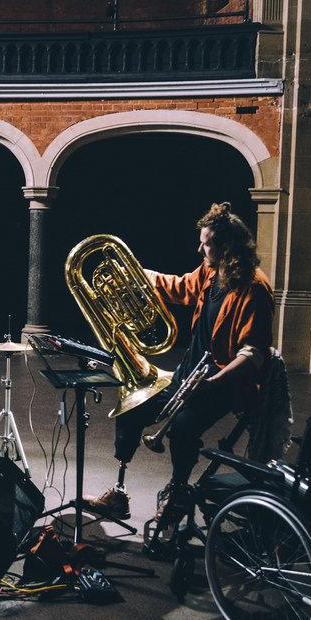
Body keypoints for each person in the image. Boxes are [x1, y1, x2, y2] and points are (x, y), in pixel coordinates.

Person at [84, 202, 273, 531]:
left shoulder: (253, 288)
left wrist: (214, 382)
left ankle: (176, 494)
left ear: (228, 246)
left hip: (224, 384)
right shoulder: (210, 271)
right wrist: (141, 276)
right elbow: (182, 287)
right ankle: (120, 491)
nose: (200, 248)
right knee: (132, 407)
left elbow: (253, 352)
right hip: (190, 373)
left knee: (183, 428)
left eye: (207, 243)